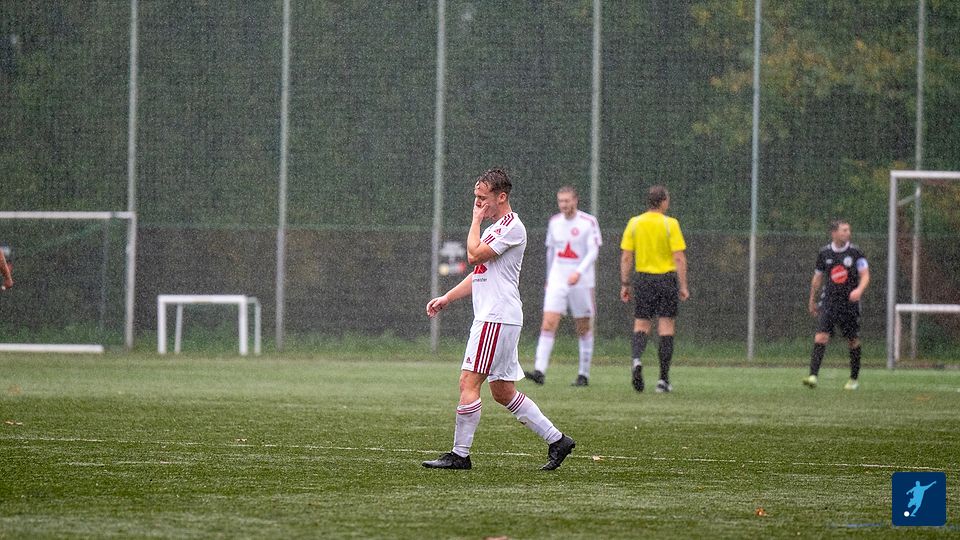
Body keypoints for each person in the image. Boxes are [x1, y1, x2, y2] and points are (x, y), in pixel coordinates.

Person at [423, 168, 576, 471]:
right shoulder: (497, 228)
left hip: (495, 317)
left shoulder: (511, 226)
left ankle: (460, 455)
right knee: (503, 391)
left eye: (483, 198)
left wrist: (475, 221)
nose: (478, 203)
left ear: (501, 197)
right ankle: (558, 440)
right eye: (476, 198)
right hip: (500, 316)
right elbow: (480, 272)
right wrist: (447, 298)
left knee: (468, 381)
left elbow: (473, 256)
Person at [524, 186, 602, 387]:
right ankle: (539, 371)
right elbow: (551, 252)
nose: (564, 205)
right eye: (561, 201)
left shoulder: (588, 222)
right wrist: (549, 277)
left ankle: (583, 374)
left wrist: (579, 272)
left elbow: (593, 251)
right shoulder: (554, 222)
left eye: (567, 201)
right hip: (557, 279)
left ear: (575, 200)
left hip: (582, 281)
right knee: (548, 323)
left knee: (583, 326)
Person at [619, 185, 689, 393]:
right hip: (666, 279)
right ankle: (663, 380)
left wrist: (625, 283)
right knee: (666, 327)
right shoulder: (670, 224)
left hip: (643, 279)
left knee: (641, 324)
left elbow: (626, 257)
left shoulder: (634, 223)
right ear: (664, 201)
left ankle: (637, 359)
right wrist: (683, 285)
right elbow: (678, 257)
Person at [802, 219, 869, 390]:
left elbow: (865, 275)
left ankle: (853, 379)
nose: (848, 233)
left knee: (852, 340)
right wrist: (812, 299)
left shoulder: (856, 253)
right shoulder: (824, 253)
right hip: (829, 302)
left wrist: (859, 290)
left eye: (848, 230)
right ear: (834, 233)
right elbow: (817, 278)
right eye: (844, 230)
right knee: (821, 336)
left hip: (849, 303)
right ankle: (813, 376)